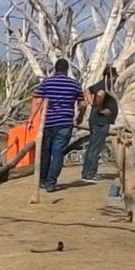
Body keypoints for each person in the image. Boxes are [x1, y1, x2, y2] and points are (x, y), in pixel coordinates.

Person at [32, 59, 87, 191]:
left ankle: (43, 180)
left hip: (48, 122)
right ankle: (51, 183)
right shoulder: (74, 84)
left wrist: (31, 119)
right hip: (65, 123)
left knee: (46, 152)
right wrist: (80, 116)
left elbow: (38, 101)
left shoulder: (47, 82)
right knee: (58, 153)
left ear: (55, 69)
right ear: (67, 70)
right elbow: (83, 104)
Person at [79, 66, 119, 183]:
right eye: (115, 77)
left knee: (92, 146)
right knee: (95, 147)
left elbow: (87, 90)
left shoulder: (101, 84)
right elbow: (100, 94)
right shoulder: (104, 86)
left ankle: (87, 172)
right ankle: (90, 174)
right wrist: (100, 108)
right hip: (100, 121)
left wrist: (92, 104)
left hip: (96, 120)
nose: (116, 79)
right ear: (111, 77)